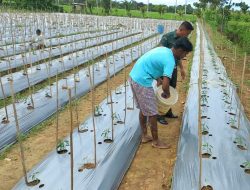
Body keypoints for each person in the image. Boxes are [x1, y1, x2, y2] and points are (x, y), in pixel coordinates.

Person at [129, 37, 193, 149]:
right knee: (153, 113)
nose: (184, 56)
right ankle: (156, 141)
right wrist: (167, 94)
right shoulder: (170, 61)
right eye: (185, 53)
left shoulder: (165, 50)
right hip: (142, 81)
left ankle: (144, 135)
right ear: (180, 50)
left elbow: (153, 64)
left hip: (134, 76)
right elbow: (165, 86)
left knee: (144, 110)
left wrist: (158, 78)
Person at [158, 21, 194, 125]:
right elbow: (162, 52)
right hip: (164, 68)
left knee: (172, 88)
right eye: (187, 33)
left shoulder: (182, 41)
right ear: (181, 30)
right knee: (163, 89)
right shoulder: (167, 37)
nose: (187, 36)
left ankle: (167, 111)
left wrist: (181, 68)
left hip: (173, 68)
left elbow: (179, 57)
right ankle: (159, 114)